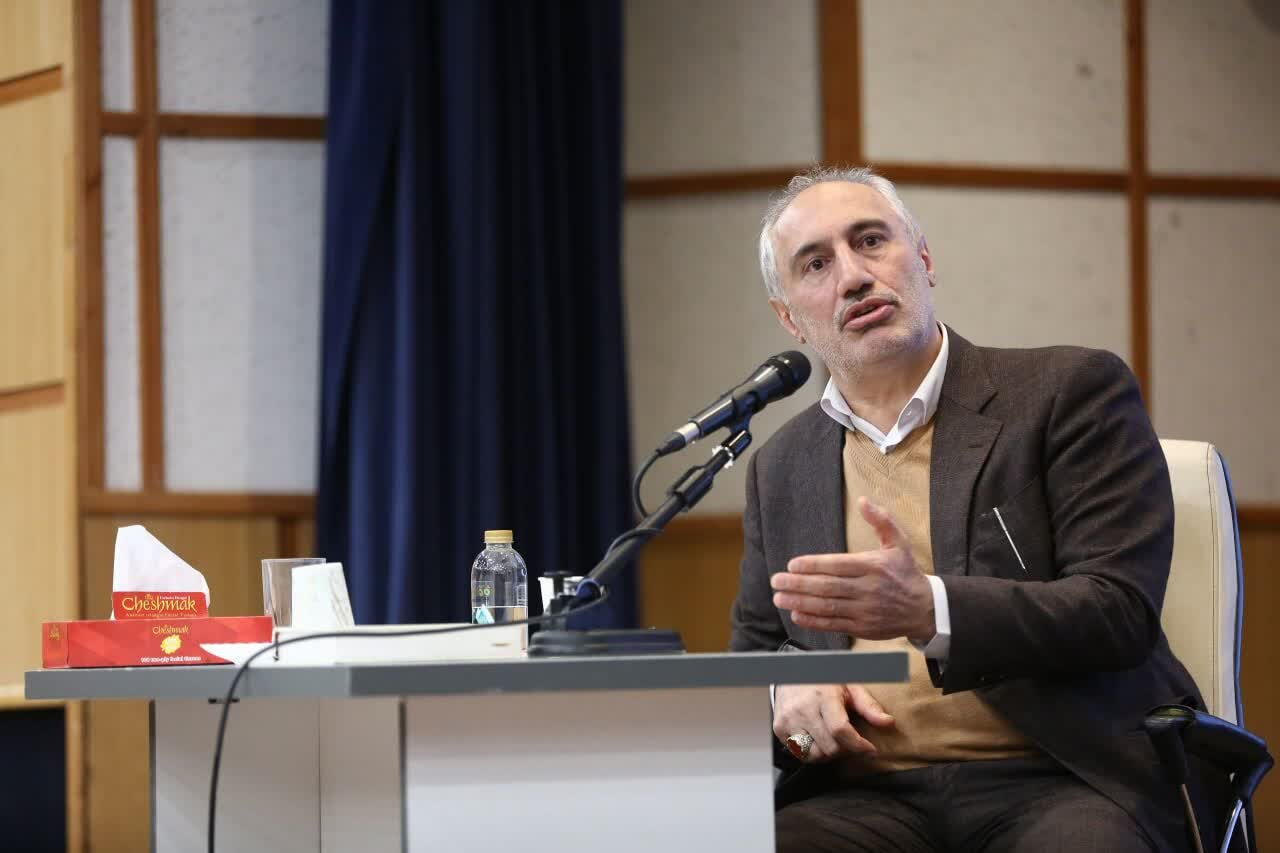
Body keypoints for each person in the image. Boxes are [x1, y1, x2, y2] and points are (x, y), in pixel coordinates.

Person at [729, 166, 1221, 852]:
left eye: (870, 241)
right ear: (790, 318)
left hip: (1060, 777)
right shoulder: (782, 465)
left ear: (924, 259)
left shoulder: (1066, 392)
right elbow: (755, 655)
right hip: (861, 797)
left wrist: (929, 609)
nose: (854, 276)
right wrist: (785, 688)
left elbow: (1118, 610)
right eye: (816, 264)